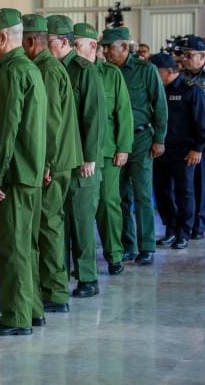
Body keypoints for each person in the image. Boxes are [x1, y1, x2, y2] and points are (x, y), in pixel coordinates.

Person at [0, 8, 46, 335]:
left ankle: (16, 317)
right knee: (28, 245)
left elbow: (6, 130)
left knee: (14, 247)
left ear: (3, 37)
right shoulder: (29, 68)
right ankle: (32, 309)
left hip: (15, 175)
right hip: (30, 171)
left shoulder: (11, 72)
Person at [22, 14, 82, 318]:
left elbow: (49, 122)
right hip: (58, 158)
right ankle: (53, 288)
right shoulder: (50, 67)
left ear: (32, 41)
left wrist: (45, 162)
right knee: (50, 223)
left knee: (48, 225)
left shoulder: (45, 69)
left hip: (53, 161)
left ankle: (55, 291)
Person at [47, 15, 106, 298]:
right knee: (59, 223)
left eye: (47, 41)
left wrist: (90, 157)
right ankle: (59, 277)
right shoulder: (51, 70)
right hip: (60, 160)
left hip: (82, 161)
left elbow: (94, 116)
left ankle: (87, 278)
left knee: (81, 222)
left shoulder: (85, 70)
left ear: (62, 41)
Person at [101, 27, 168, 265]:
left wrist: (159, 139)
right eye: (103, 47)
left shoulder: (145, 70)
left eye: (109, 47)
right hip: (114, 140)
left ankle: (147, 246)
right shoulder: (105, 72)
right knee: (119, 196)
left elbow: (160, 104)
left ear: (124, 46)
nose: (105, 51)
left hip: (141, 139)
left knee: (142, 194)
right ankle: (127, 245)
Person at [74, 23, 133, 275]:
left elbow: (123, 112)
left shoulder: (111, 74)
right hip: (77, 151)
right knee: (80, 209)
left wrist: (124, 147)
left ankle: (114, 255)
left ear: (92, 46)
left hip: (107, 152)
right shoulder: (69, 72)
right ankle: (81, 262)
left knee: (108, 204)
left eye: (76, 44)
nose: (72, 49)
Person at [151, 52, 205, 249]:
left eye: (155, 72)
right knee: (162, 192)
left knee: (184, 193)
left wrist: (197, 148)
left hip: (184, 152)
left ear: (168, 71)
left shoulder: (191, 90)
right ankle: (171, 229)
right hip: (161, 151)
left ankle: (184, 233)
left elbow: (202, 123)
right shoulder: (158, 90)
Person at [180, 35, 205, 240]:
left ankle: (197, 227)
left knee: (199, 184)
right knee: (182, 184)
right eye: (183, 55)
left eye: (189, 55)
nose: (185, 59)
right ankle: (182, 224)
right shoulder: (178, 78)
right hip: (180, 137)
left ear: (202, 57)